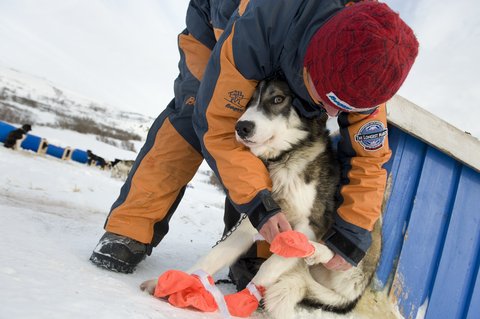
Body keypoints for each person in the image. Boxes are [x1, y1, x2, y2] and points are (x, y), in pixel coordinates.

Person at [90, 0, 418, 283]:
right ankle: (130, 227)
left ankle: (258, 249)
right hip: (218, 25)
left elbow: (368, 158)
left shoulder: (370, 63)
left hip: (298, 53)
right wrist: (259, 203)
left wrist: (352, 234)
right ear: (312, 62)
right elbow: (215, 123)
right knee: (192, 118)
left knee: (276, 137)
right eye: (331, 99)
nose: (334, 113)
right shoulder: (261, 25)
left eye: (347, 108)